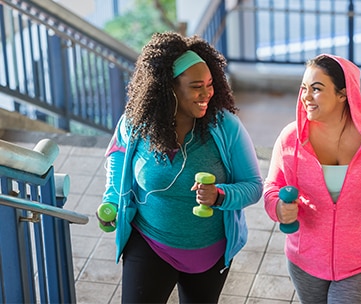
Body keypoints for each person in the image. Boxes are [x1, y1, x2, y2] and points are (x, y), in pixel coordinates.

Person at [97, 31, 263, 303]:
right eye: (197, 86)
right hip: (150, 242)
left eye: (210, 84)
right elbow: (118, 153)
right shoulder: (137, 123)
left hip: (209, 253)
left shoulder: (225, 127)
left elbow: (254, 186)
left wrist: (220, 195)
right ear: (168, 87)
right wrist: (112, 199)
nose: (207, 93)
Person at [263, 54, 361, 304]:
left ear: (343, 94)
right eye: (304, 88)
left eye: (316, 89)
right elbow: (272, 187)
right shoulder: (290, 138)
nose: (305, 96)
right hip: (305, 260)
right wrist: (278, 208)